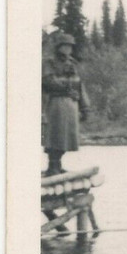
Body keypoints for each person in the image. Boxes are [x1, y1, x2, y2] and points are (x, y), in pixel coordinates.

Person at [42, 33, 90, 176]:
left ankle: (58, 165)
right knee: (55, 136)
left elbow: (80, 86)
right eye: (65, 46)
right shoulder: (49, 63)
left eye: (70, 46)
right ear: (58, 47)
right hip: (57, 103)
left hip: (71, 105)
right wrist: (67, 88)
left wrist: (85, 107)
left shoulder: (73, 64)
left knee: (66, 138)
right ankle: (53, 166)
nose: (68, 49)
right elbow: (47, 81)